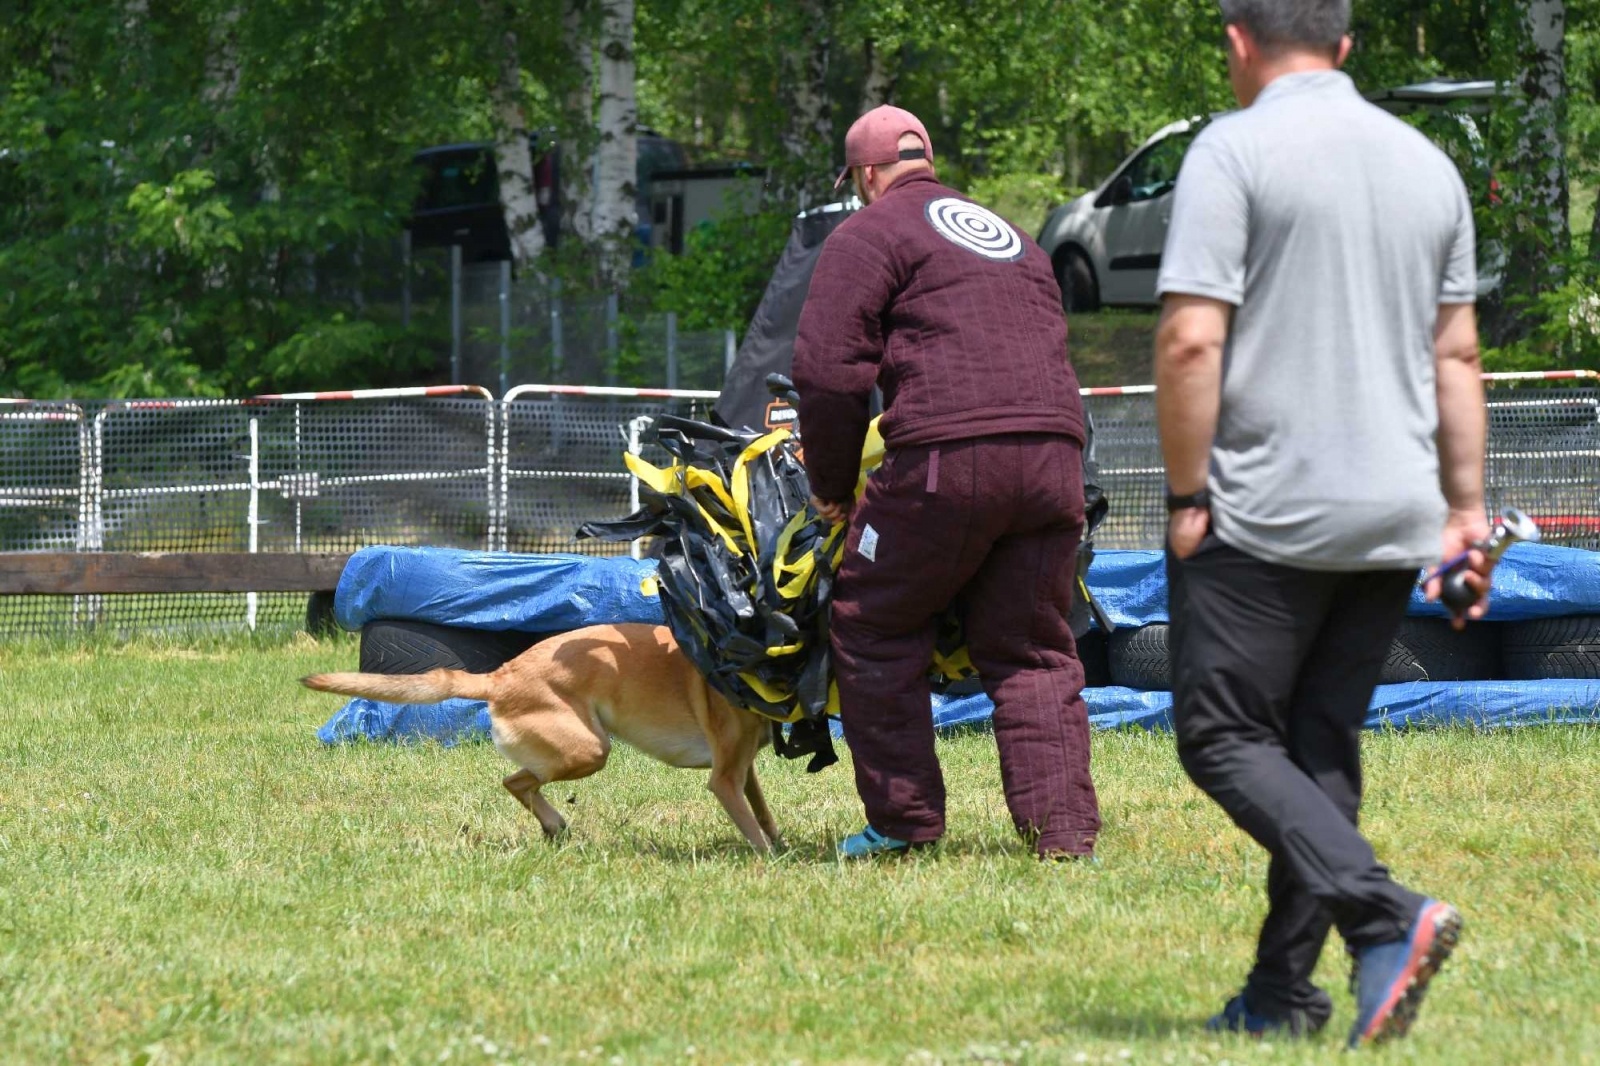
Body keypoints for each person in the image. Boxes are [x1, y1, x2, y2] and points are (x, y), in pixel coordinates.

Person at [1153, 0, 1492, 1050]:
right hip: (1394, 510)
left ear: (1237, 42)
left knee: (1220, 736)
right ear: (1345, 48)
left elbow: (1189, 343)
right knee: (1315, 745)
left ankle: (1384, 913)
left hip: (1267, 505)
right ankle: (1279, 994)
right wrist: (1466, 511)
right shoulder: (1425, 162)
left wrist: (1182, 495)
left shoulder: (1232, 149)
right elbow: (1456, 356)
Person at [792, 104, 1100, 861]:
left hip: (947, 459)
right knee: (1033, 649)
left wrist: (833, 484)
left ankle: (903, 822)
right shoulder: (1014, 240)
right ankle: (1064, 839)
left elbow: (827, 375)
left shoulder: (868, 232)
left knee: (872, 618)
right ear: (926, 159)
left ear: (866, 175)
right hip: (1058, 458)